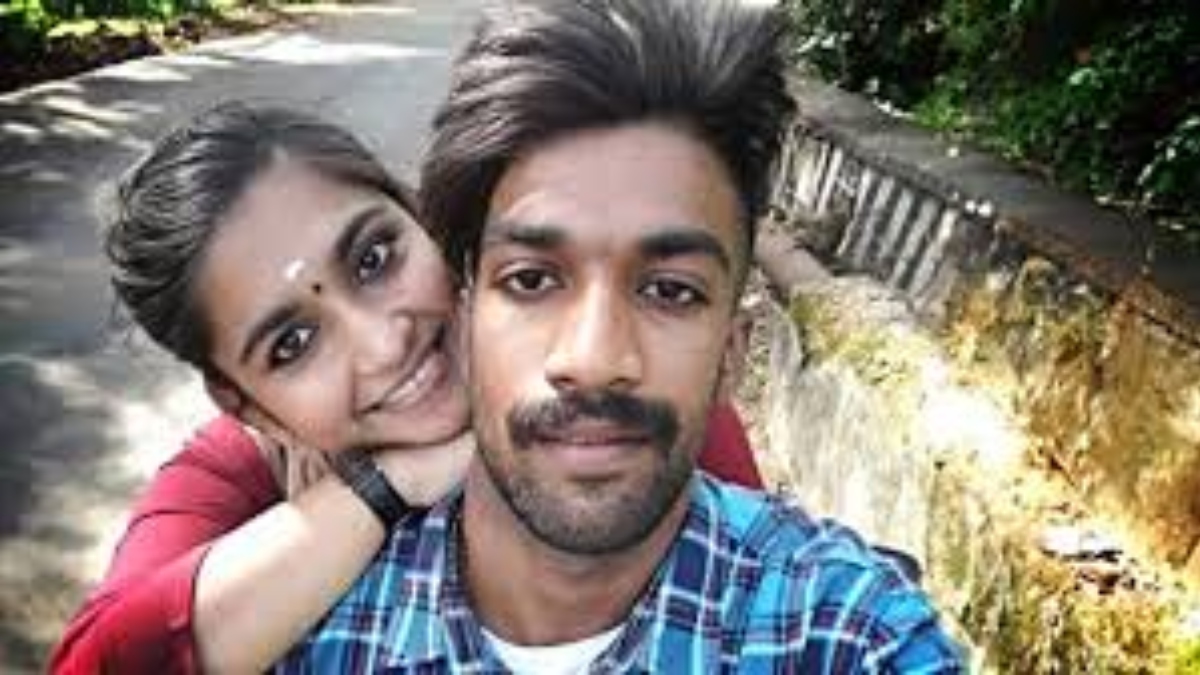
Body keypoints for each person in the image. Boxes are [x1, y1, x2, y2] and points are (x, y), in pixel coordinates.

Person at [277, 0, 965, 672]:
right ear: (461, 322)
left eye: (671, 290)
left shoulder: (849, 633)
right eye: (531, 280)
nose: (595, 359)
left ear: (733, 352)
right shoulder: (315, 635)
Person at [50, 104, 763, 674]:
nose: (383, 342)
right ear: (248, 405)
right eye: (292, 344)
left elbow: (753, 587)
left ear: (422, 217)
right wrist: (384, 489)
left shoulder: (612, 384)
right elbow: (99, 658)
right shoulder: (235, 471)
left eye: (374, 258)